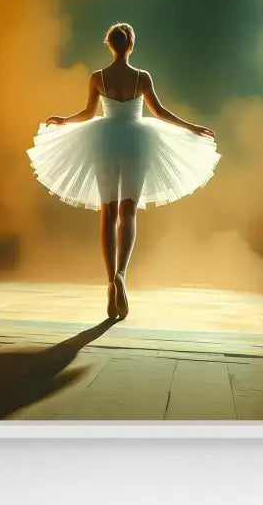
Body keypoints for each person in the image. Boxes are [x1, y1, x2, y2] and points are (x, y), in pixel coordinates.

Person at [27, 22, 220, 320]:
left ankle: (109, 282)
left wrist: (64, 120)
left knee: (108, 211)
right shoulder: (141, 77)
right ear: (131, 46)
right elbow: (160, 112)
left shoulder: (98, 77)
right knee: (128, 212)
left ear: (109, 45)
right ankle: (122, 274)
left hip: (104, 140)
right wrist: (191, 127)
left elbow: (89, 114)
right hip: (136, 140)